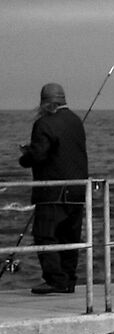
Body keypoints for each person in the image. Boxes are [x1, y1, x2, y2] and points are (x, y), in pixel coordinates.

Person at [16, 81, 88, 296]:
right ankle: (68, 280)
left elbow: (39, 154)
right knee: (70, 238)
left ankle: (55, 280)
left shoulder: (44, 123)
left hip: (53, 191)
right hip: (77, 190)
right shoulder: (76, 121)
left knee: (45, 235)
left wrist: (25, 156)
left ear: (46, 103)